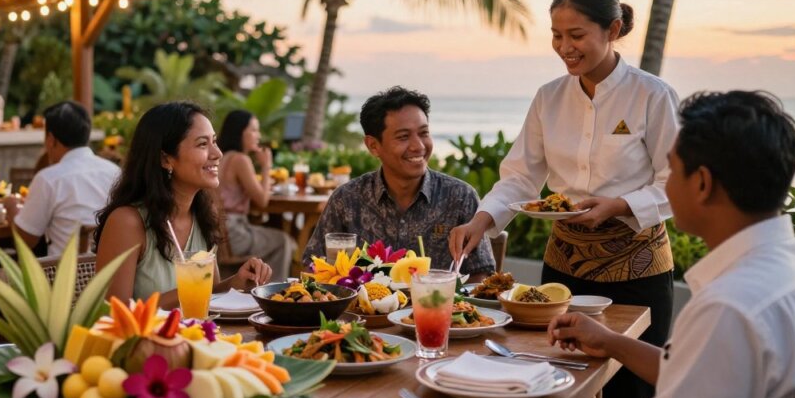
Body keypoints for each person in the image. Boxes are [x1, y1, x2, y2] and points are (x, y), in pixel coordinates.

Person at [449, 0, 680, 398]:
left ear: (612, 30)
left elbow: (675, 183)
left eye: (576, 35)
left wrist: (619, 206)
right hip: (564, 272)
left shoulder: (653, 95)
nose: (564, 47)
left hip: (639, 271)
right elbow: (521, 176)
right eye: (556, 35)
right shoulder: (548, 98)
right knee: (557, 386)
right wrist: (481, 220)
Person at [548, 91, 795, 398]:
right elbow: (706, 374)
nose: (666, 187)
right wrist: (611, 342)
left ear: (702, 183)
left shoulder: (727, 308)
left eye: (671, 170)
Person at [302, 87, 496, 280]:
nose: (418, 146)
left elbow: (481, 277)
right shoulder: (346, 200)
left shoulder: (461, 198)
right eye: (403, 137)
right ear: (373, 145)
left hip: (438, 301)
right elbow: (313, 269)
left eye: (424, 133)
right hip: (361, 302)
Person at [95, 102, 271, 307]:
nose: (217, 153)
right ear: (165, 159)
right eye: (202, 144)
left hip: (198, 329)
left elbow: (209, 295)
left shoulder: (204, 214)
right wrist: (191, 291)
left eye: (214, 142)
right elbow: (113, 312)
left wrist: (236, 283)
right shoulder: (127, 223)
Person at [3, 101, 120, 257]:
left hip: (60, 271)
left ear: (51, 139)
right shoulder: (114, 172)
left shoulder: (48, 179)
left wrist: (11, 208)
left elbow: (26, 241)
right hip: (107, 268)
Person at [216, 110, 295, 281]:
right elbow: (262, 200)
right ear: (239, 132)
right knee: (283, 241)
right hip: (234, 234)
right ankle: (275, 291)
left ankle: (262, 285)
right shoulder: (240, 160)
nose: (258, 135)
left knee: (276, 237)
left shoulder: (222, 157)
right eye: (253, 130)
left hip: (221, 232)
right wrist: (266, 165)